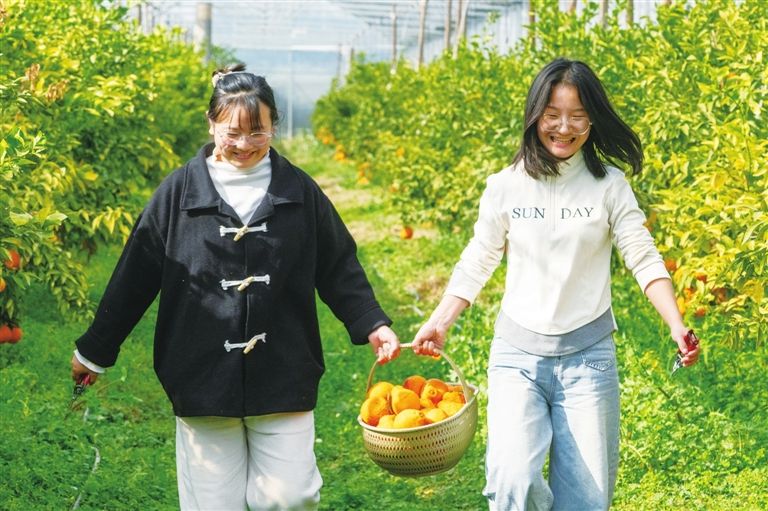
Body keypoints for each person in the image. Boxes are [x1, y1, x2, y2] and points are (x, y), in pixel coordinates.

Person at [70, 64, 400, 511]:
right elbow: (135, 274)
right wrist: (95, 350)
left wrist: (372, 322)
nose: (244, 145)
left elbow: (338, 265)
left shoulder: (298, 191)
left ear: (274, 127)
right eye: (233, 133)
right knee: (214, 504)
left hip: (284, 368)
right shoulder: (179, 193)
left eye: (257, 132)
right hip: (200, 371)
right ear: (211, 124)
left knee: (290, 497)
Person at [411, 58, 700, 511]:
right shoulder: (505, 186)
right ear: (535, 116)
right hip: (516, 356)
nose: (564, 128)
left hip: (589, 359)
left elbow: (642, 255)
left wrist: (675, 324)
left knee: (587, 498)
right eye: (553, 115)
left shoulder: (609, 185)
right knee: (512, 480)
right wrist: (440, 320)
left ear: (592, 120)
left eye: (578, 116)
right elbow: (479, 258)